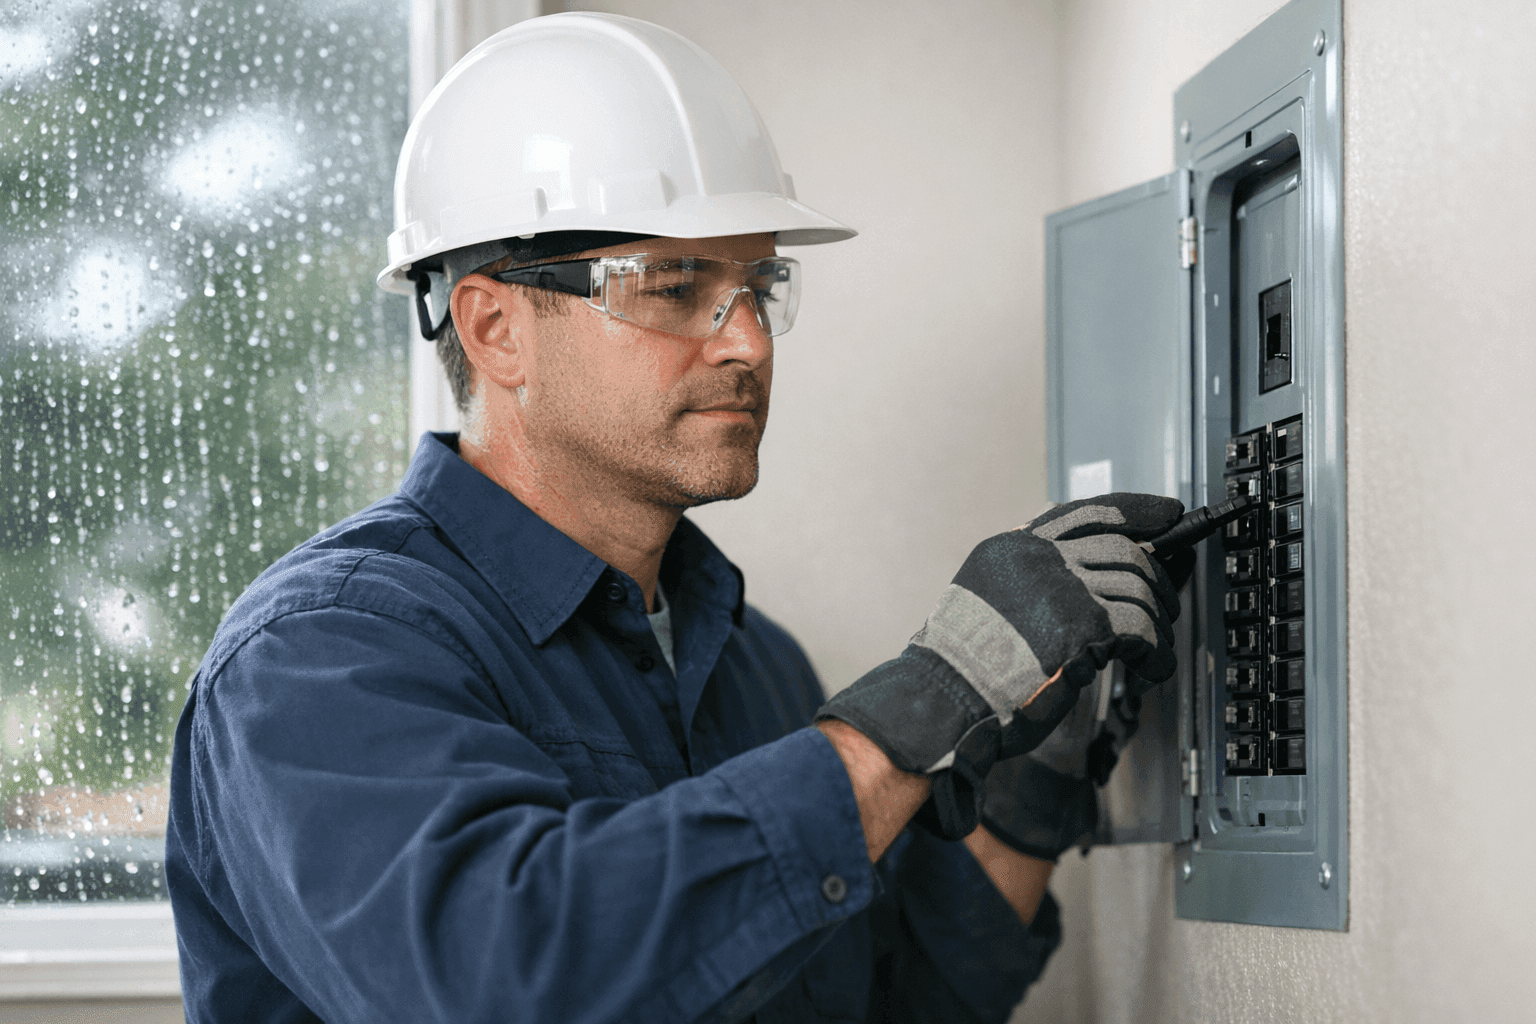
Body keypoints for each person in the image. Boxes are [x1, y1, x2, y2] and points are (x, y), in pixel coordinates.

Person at [165, 13, 1189, 1023]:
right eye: (675, 285)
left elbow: (889, 996)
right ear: (493, 328)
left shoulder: (758, 667)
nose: (746, 338)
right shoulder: (319, 655)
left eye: (758, 284)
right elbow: (506, 982)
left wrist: (1027, 781)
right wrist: (924, 708)